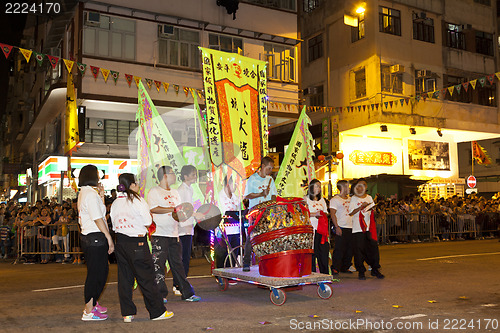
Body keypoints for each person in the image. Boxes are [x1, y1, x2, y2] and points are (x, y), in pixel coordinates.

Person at [110, 173, 173, 322]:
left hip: (121, 243)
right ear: (131, 185)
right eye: (136, 183)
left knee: (125, 279)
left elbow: (113, 223)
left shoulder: (116, 203)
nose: (138, 185)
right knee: (147, 278)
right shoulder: (138, 200)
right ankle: (157, 312)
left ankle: (127, 313)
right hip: (137, 243)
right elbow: (147, 221)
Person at [147, 165, 201, 302]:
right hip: (159, 234)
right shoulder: (154, 191)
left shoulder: (175, 193)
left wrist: (188, 214)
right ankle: (159, 294)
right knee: (158, 265)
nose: (174, 176)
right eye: (172, 173)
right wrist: (172, 209)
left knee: (178, 264)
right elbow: (153, 209)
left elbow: (179, 212)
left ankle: (187, 293)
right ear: (165, 176)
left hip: (174, 233)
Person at [78, 164, 114, 321]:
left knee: (100, 272)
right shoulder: (90, 195)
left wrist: (101, 194)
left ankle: (93, 304)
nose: (99, 177)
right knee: (97, 274)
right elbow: (98, 218)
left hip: (91, 236)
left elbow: (99, 212)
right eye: (97, 174)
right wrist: (109, 237)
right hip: (95, 237)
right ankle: (88, 310)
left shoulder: (86, 193)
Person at [242, 156, 277, 271]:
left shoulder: (270, 180)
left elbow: (274, 195)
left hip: (267, 212)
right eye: (268, 168)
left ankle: (267, 262)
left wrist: (271, 205)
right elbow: (247, 195)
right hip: (255, 212)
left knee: (268, 237)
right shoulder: (253, 179)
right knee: (251, 237)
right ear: (262, 166)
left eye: (271, 168)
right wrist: (260, 194)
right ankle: (246, 262)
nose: (270, 170)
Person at [348, 178, 384, 280]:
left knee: (373, 249)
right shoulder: (354, 198)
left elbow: (372, 211)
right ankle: (361, 271)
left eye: (363, 185)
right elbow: (350, 213)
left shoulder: (369, 197)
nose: (361, 187)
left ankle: (375, 268)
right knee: (359, 251)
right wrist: (360, 207)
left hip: (369, 228)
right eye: (359, 185)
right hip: (357, 228)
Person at [175, 165, 198, 296]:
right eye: (193, 174)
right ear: (185, 176)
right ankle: (179, 285)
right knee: (182, 258)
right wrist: (194, 216)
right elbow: (183, 210)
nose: (195, 177)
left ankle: (180, 284)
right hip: (183, 227)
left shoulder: (190, 189)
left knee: (185, 257)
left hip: (189, 226)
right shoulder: (182, 190)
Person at [215, 174, 242, 269]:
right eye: (234, 184)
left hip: (235, 230)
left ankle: (231, 273)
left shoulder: (236, 198)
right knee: (223, 254)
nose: (236, 186)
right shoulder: (218, 197)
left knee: (235, 252)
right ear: (227, 184)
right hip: (223, 231)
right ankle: (221, 274)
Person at [305, 179, 329, 274]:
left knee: (323, 252)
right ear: (311, 187)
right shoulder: (306, 199)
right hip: (312, 229)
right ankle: (312, 273)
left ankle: (324, 274)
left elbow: (326, 212)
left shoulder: (322, 200)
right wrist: (315, 214)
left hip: (322, 229)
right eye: (316, 186)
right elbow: (304, 213)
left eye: (319, 186)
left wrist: (322, 214)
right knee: (312, 252)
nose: (319, 188)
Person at [330, 179, 354, 275]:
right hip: (341, 226)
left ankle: (345, 266)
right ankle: (335, 267)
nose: (349, 188)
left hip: (351, 226)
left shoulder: (350, 199)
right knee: (339, 248)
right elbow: (332, 214)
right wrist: (337, 227)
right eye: (347, 186)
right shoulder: (335, 200)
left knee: (350, 249)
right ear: (342, 187)